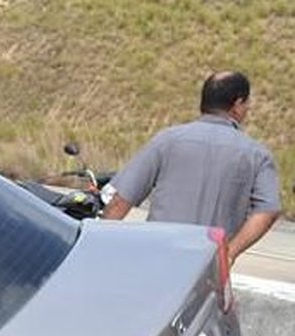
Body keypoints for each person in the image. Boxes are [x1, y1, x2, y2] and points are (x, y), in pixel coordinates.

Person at [103, 71, 282, 264]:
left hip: (157, 259)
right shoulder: (256, 154)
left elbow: (120, 202)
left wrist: (99, 250)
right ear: (237, 106)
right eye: (247, 104)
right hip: (207, 268)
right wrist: (229, 254)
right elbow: (268, 211)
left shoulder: (167, 140)